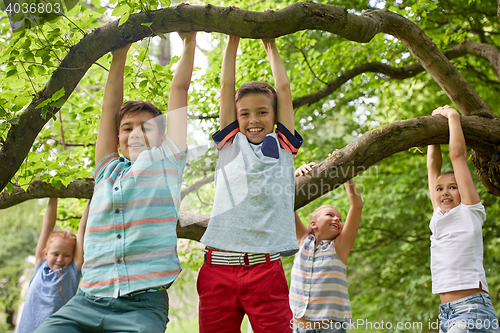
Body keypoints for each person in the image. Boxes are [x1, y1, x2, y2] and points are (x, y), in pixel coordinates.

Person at [35, 30, 196, 333]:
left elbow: (180, 88)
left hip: (142, 306)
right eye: (127, 128)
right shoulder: (106, 169)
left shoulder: (167, 162)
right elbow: (110, 108)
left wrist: (189, 42)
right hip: (87, 301)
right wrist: (119, 55)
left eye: (146, 128)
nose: (135, 133)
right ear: (117, 137)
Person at [197, 28, 303, 332]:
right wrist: (233, 40)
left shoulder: (282, 146)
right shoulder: (230, 143)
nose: (253, 120)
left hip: (264, 270)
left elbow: (283, 89)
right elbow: (225, 85)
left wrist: (270, 45)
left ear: (273, 115)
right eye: (245, 114)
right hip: (218, 268)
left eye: (262, 112)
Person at [427, 105, 499, 333]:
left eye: (453, 187)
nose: (444, 192)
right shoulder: (438, 216)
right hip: (447, 315)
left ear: (463, 191)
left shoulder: (470, 211)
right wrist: (430, 133)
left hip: (472, 311)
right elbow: (432, 165)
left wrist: (452, 116)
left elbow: (457, 156)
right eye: (439, 188)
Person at [290, 162, 363, 333]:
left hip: (330, 328)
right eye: (330, 215)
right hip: (299, 328)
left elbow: (356, 206)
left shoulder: (339, 247)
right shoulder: (302, 241)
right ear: (313, 223)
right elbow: (286, 204)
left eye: (340, 218)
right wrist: (295, 178)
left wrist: (345, 175)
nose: (337, 219)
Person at [17, 198, 88, 333]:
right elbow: (47, 226)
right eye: (55, 254)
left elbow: (83, 229)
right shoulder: (40, 266)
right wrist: (53, 194)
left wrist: (91, 196)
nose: (60, 259)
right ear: (45, 253)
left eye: (67, 255)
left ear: (73, 256)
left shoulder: (72, 271)